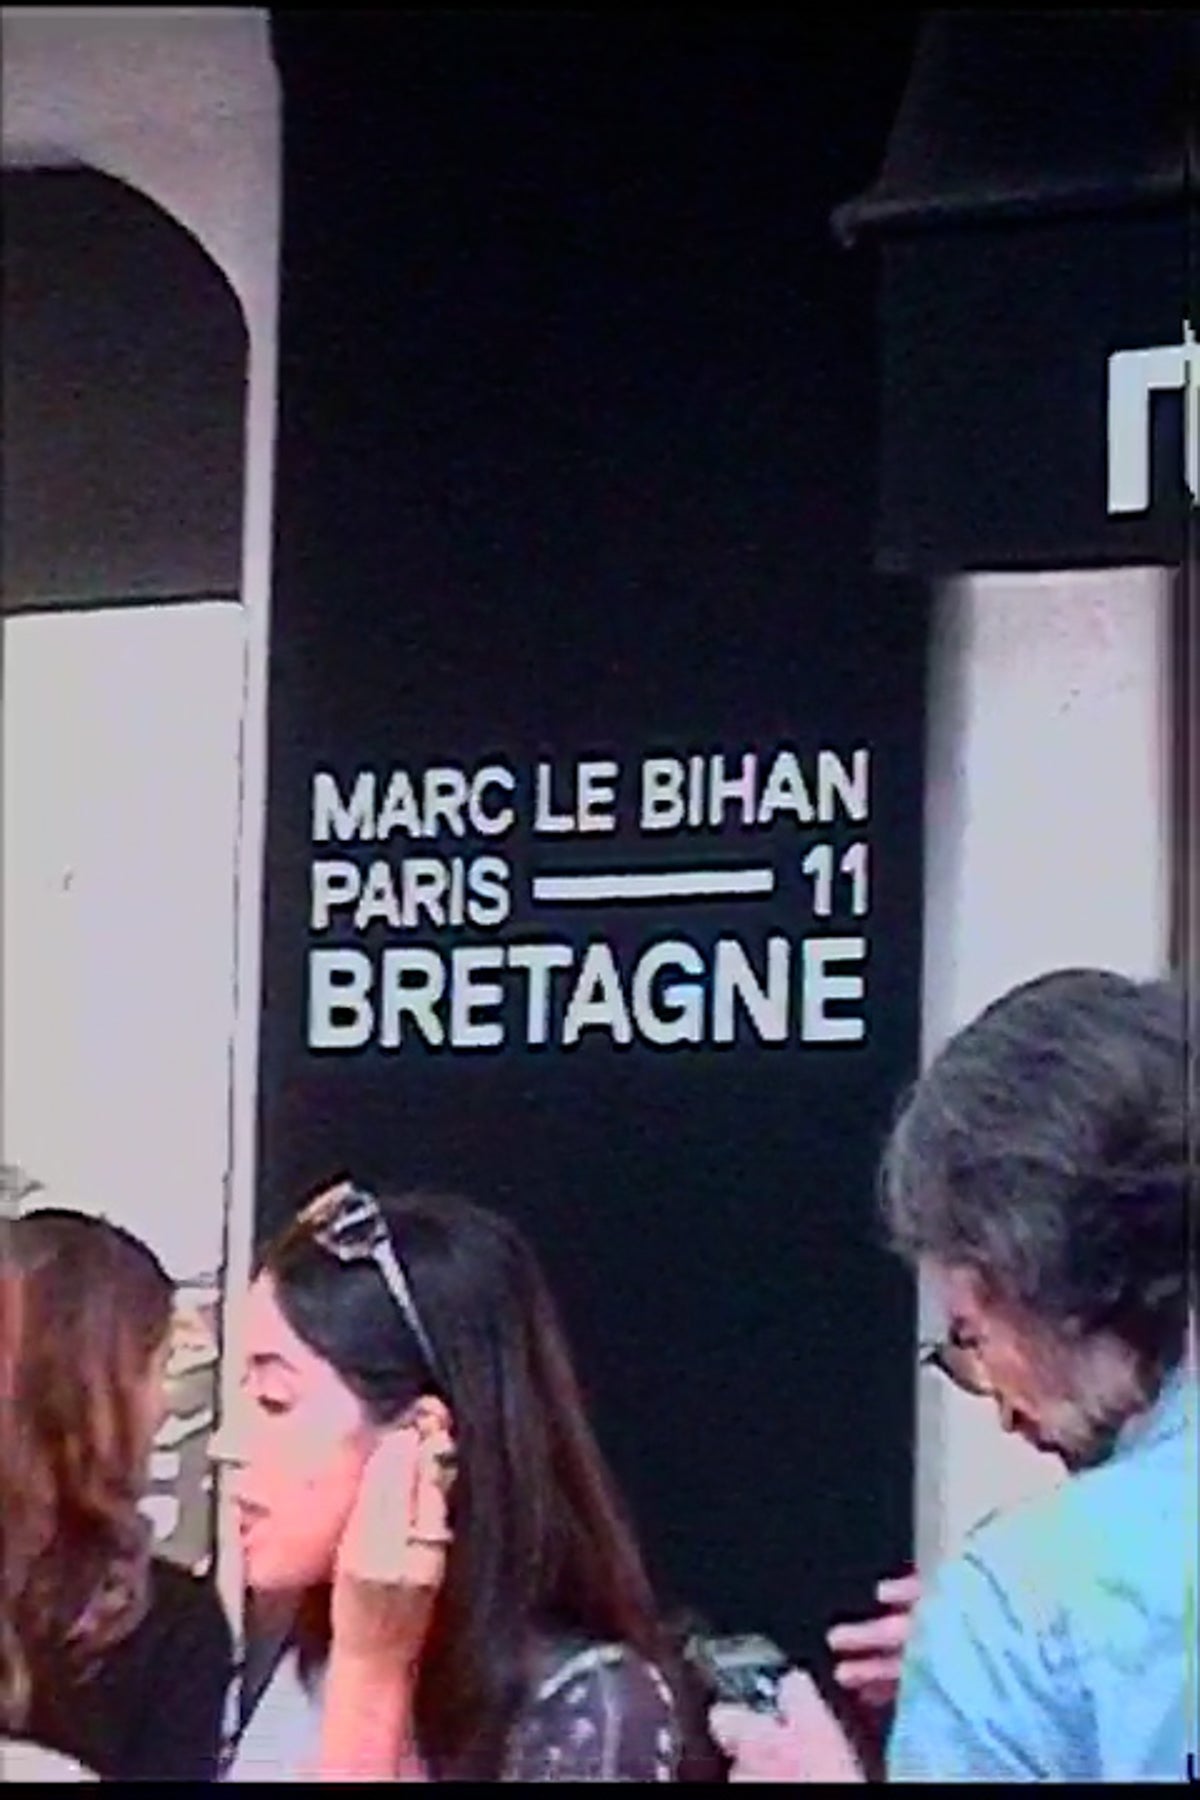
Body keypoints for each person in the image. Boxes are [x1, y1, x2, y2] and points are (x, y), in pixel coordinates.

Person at [713, 968, 1196, 1782]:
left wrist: (991, 1662)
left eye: (971, 1335)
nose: (1001, 1409)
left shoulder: (1021, 1602)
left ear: (1022, 1271)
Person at [214, 1181, 724, 1782]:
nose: (227, 1446)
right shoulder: (286, 1653)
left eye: (274, 1402)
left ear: (422, 1436)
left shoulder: (585, 1707)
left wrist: (371, 1673)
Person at [0, 1207, 234, 1780]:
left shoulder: (176, 1626)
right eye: (158, 1369)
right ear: (99, 1392)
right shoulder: (171, 1625)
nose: (165, 1407)